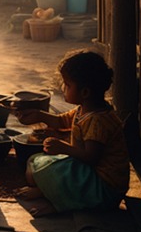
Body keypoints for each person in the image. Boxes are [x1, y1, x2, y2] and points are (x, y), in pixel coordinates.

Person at [15, 49, 129, 216]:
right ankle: (47, 191)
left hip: (102, 189)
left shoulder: (98, 120)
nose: (63, 87)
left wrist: (64, 148)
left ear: (84, 92)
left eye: (67, 85)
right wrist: (38, 115)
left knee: (42, 169)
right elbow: (60, 121)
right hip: (87, 174)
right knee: (34, 163)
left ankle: (59, 203)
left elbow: (91, 157)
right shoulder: (84, 109)